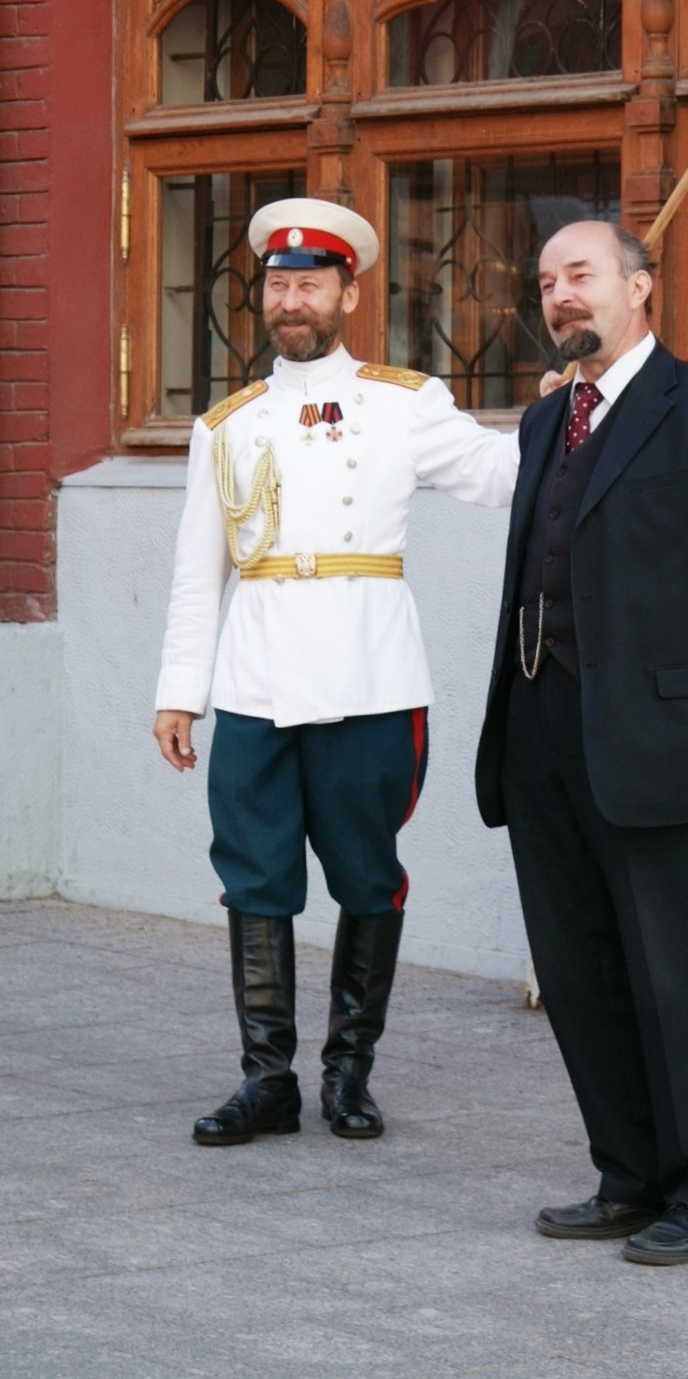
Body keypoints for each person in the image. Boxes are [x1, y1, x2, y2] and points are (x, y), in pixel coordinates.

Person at [475, 221, 688, 1266]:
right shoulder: (542, 423)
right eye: (547, 280)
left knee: (678, 973)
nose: (561, 294)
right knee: (577, 969)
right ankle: (628, 1177)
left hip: (659, 739)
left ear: (641, 286)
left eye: (580, 274)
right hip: (539, 732)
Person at [154, 200, 519, 1147]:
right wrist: (178, 692)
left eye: (310, 282)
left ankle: (348, 1076)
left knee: (366, 874)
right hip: (254, 682)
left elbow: (498, 473)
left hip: (368, 677)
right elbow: (201, 569)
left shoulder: (405, 402)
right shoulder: (225, 425)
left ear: (347, 293)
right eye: (278, 284)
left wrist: (573, 407)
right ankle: (266, 1082)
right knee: (253, 879)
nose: (292, 298)